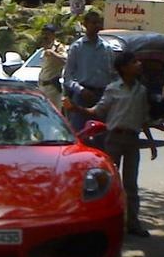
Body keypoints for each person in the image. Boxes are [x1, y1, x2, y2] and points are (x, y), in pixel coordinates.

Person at [63, 51, 158, 237]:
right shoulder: (113, 89)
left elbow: (143, 118)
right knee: (110, 182)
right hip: (114, 138)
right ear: (123, 68)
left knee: (131, 184)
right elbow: (97, 112)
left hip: (132, 140)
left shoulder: (141, 91)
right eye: (134, 62)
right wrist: (75, 108)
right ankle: (107, 222)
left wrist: (151, 142)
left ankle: (133, 223)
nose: (138, 64)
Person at [63, 11, 116, 131]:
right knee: (79, 132)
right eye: (93, 23)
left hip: (102, 96)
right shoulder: (77, 48)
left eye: (98, 23)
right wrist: (81, 90)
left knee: (102, 132)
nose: (97, 26)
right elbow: (67, 77)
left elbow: (113, 75)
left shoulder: (107, 48)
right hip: (82, 96)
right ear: (85, 24)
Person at [38, 24, 67, 109]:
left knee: (53, 112)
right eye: (43, 34)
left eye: (47, 34)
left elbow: (65, 60)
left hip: (52, 87)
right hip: (41, 86)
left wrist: (53, 53)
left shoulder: (58, 47)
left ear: (53, 34)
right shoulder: (44, 48)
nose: (45, 36)